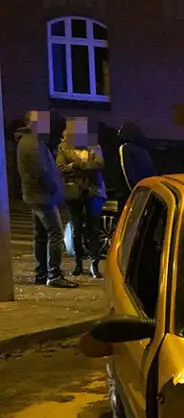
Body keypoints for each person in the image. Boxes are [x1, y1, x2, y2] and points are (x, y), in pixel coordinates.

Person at [15, 111, 77, 288]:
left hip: (37, 195)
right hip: (42, 196)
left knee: (41, 236)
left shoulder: (31, 141)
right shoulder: (30, 142)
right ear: (30, 123)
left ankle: (41, 274)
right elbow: (40, 170)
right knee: (55, 233)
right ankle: (54, 275)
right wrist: (54, 188)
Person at [57, 118, 107, 279]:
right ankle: (78, 263)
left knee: (93, 229)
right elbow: (61, 167)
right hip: (73, 192)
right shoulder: (64, 147)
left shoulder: (94, 145)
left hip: (93, 191)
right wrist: (83, 163)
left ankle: (94, 264)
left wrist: (74, 165)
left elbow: (99, 164)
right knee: (76, 230)